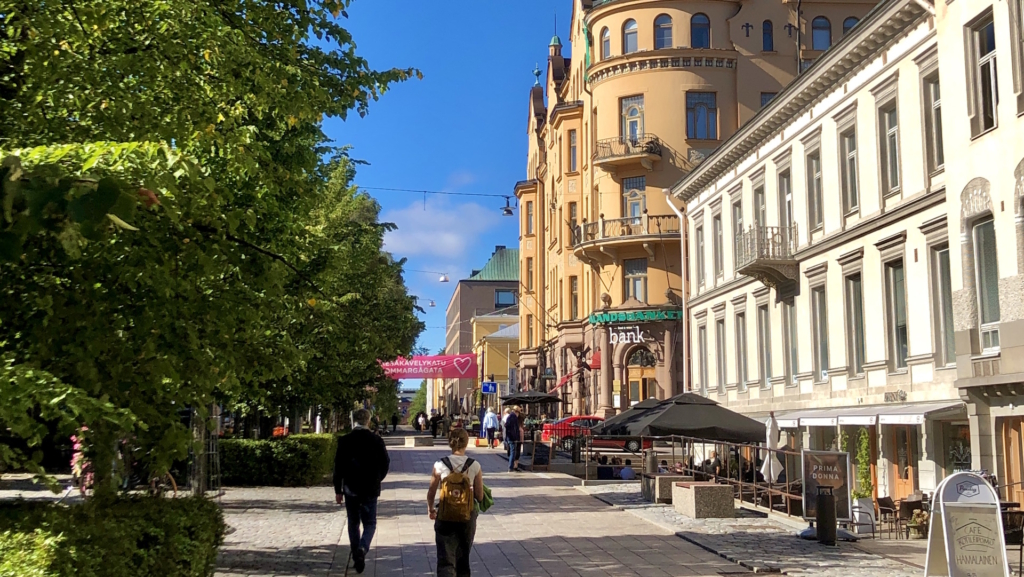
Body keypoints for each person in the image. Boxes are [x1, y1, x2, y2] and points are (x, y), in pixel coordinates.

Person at [334, 409, 390, 574]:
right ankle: (363, 548)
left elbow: (338, 467)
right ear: (368, 421)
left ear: (354, 420)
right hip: (370, 488)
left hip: (351, 487)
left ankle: (356, 553)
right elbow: (385, 463)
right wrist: (378, 478)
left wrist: (338, 489)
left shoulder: (345, 440)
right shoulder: (376, 440)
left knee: (353, 522)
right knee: (370, 523)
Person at [427, 429, 483, 577]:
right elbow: (479, 496)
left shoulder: (440, 464)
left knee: (445, 559)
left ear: (450, 443)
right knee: (463, 559)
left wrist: (431, 509)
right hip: (467, 516)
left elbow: (431, 491)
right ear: (466, 443)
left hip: (445, 514)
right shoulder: (474, 465)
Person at [504, 407, 521, 472]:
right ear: (517, 412)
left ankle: (511, 466)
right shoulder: (514, 417)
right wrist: (515, 437)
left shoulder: (510, 417)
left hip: (509, 437)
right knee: (512, 452)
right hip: (512, 438)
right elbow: (514, 429)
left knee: (511, 451)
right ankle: (511, 467)